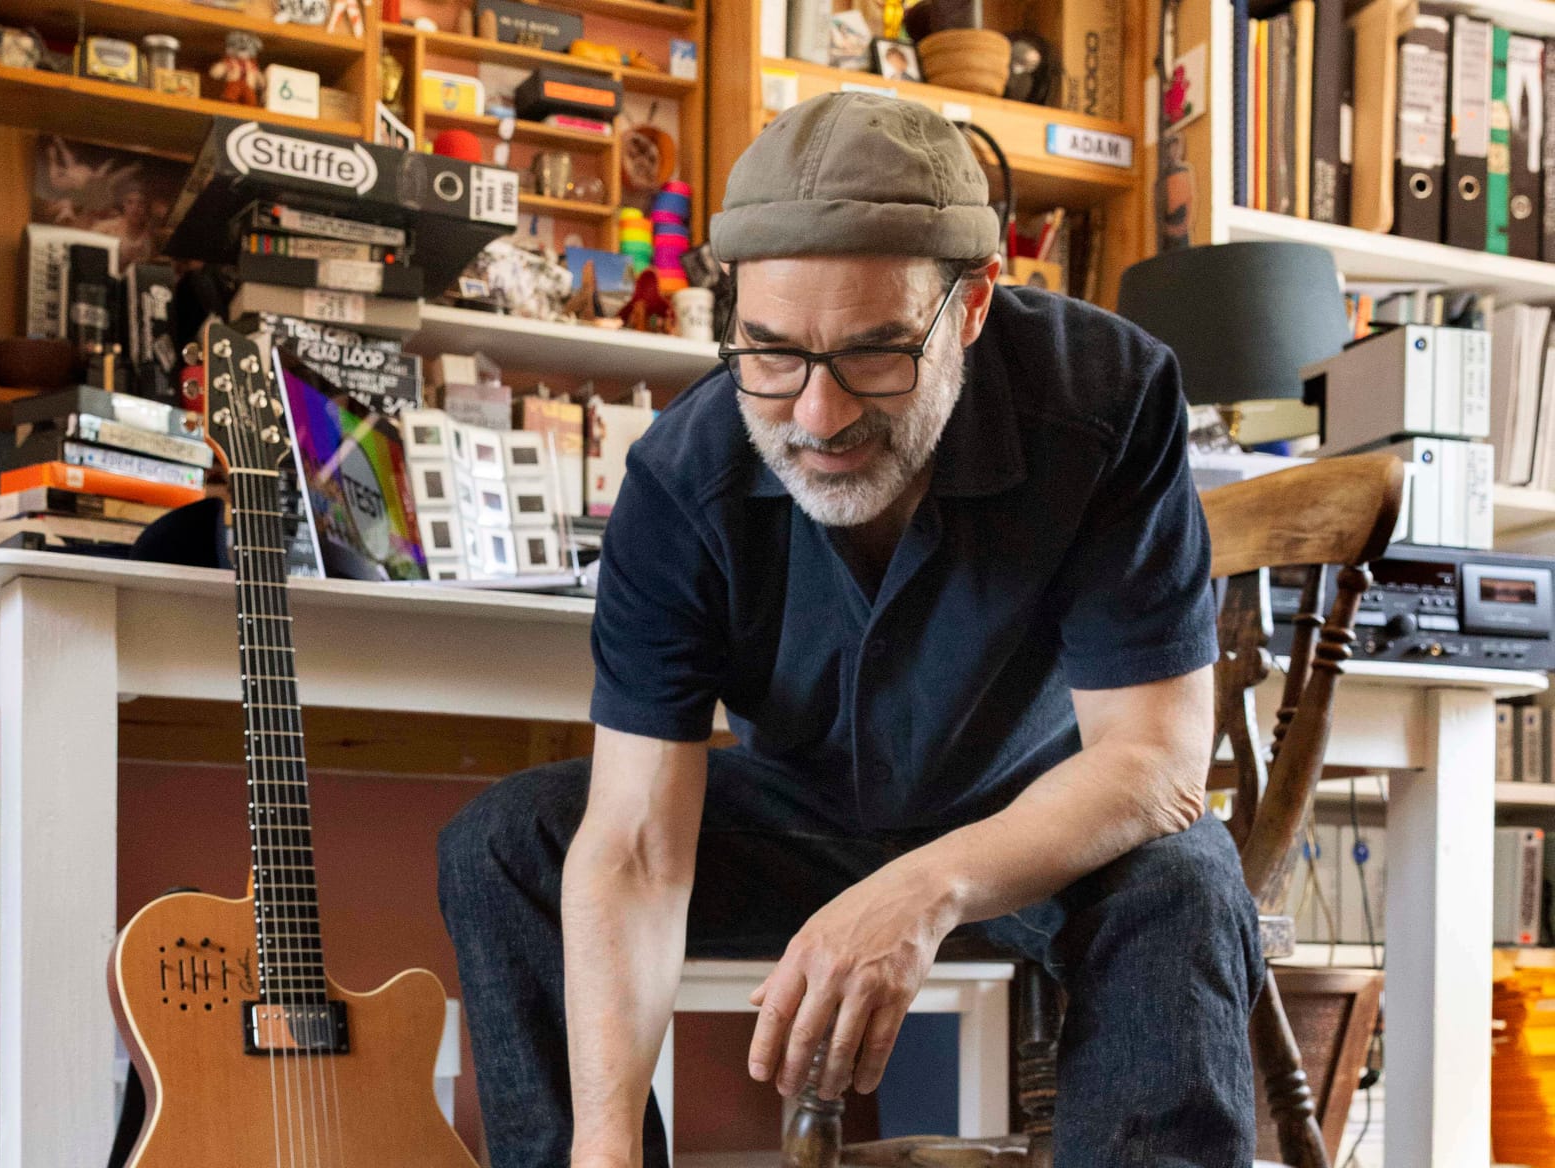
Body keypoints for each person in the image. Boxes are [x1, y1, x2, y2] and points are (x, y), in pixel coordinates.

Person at [438, 92, 1262, 1168]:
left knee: (1186, 880)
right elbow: (638, 842)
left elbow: (1153, 763)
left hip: (1041, 822)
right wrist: (604, 1149)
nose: (818, 418)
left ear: (971, 306)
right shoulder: (682, 478)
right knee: (512, 844)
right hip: (801, 819)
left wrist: (924, 887)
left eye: (876, 355)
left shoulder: (1107, 397)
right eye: (772, 354)